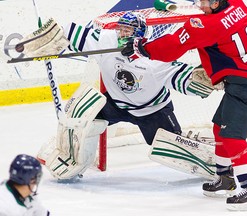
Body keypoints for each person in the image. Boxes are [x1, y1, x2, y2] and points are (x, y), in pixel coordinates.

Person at [22, 12, 219, 180]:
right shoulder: (106, 40)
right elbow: (73, 34)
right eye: (121, 29)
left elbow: (181, 76)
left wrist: (201, 80)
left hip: (153, 111)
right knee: (80, 114)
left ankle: (217, 166)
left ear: (140, 34)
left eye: (129, 30)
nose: (122, 33)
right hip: (115, 104)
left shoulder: (153, 57)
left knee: (172, 148)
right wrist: (55, 35)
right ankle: (68, 156)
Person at [121, 0, 247, 211]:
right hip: (246, 78)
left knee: (232, 137)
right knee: (219, 128)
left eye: (203, 1)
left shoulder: (208, 25)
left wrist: (141, 47)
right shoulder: (238, 4)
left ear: (217, 2)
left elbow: (172, 46)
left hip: (246, 84)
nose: (199, 4)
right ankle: (224, 177)